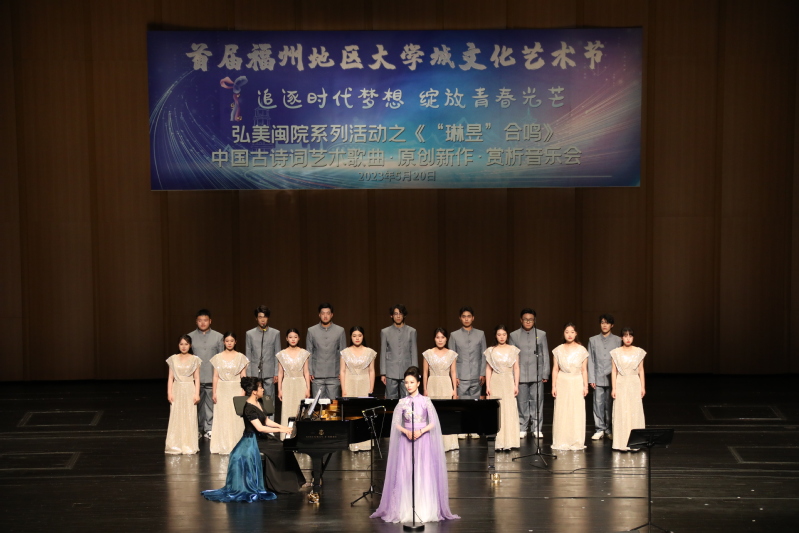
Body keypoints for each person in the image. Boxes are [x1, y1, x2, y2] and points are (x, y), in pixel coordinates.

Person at [370, 367, 460, 524]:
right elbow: (395, 423)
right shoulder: (402, 402)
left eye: (412, 382)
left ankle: (424, 508)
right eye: (406, 382)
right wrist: (406, 431)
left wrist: (421, 431)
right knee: (406, 471)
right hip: (407, 441)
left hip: (423, 440)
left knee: (423, 471)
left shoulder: (425, 401)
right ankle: (405, 508)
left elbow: (433, 422)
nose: (409, 385)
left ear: (418, 383)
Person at [202, 377, 293, 503]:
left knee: (283, 446)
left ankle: (287, 482)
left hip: (260, 438)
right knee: (278, 449)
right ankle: (281, 484)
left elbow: (266, 420)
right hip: (252, 440)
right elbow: (260, 428)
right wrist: (281, 430)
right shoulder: (249, 408)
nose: (263, 389)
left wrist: (282, 427)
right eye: (260, 387)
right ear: (254, 391)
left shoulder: (258, 402)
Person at [509, 308, 550, 439]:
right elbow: (511, 356)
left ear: (534, 320)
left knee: (537, 401)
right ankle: (522, 427)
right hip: (520, 374)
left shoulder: (541, 334)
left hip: (537, 373)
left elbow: (545, 354)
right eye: (525, 319)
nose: (528, 322)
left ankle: (537, 428)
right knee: (522, 402)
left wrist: (545, 373)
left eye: (531, 319)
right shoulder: (514, 335)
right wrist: (512, 375)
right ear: (521, 320)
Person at [448, 306, 486, 439]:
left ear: (473, 318)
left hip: (476, 374)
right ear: (460, 318)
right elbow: (452, 357)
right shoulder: (454, 335)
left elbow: (484, 355)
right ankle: (462, 428)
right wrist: (455, 376)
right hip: (461, 375)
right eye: (464, 316)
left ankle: (474, 428)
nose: (466, 319)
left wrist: (483, 373)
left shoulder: (480, 334)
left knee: (475, 404)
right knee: (462, 404)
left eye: (469, 316)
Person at [551, 323, 589, 451]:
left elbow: (584, 370)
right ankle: (562, 440)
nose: (569, 334)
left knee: (576, 410)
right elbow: (555, 369)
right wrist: (553, 386)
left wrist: (585, 386)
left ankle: (576, 440)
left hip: (577, 381)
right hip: (562, 381)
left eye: (572, 332)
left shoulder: (582, 350)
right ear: (563, 333)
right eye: (567, 332)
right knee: (562, 411)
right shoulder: (558, 350)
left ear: (576, 333)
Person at [209, 332, 249, 454]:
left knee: (236, 417)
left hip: (236, 388)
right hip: (222, 389)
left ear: (235, 342)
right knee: (222, 416)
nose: (229, 343)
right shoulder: (217, 357)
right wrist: (214, 392)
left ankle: (236, 444)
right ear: (223, 342)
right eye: (227, 341)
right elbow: (215, 376)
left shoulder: (241, 357)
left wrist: (243, 392)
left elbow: (243, 376)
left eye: (232, 341)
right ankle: (222, 444)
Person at [188, 309, 224, 439]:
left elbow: (221, 358)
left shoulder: (218, 337)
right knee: (195, 405)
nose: (202, 323)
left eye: (205, 320)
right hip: (194, 377)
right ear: (196, 321)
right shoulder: (190, 337)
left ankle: (209, 428)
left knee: (210, 404)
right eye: (200, 320)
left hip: (211, 375)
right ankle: (197, 429)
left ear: (210, 321)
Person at [422, 328, 459, 452]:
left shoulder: (451, 354)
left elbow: (453, 373)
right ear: (434, 338)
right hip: (432, 384)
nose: (440, 340)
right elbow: (425, 373)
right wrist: (425, 389)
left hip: (446, 385)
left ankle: (448, 443)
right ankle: (432, 444)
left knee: (446, 413)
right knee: (432, 413)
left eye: (442, 337)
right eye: (438, 337)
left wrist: (454, 390)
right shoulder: (428, 353)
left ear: (446, 339)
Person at [340, 326, 377, 451]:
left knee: (364, 412)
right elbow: (342, 371)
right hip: (349, 383)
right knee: (351, 413)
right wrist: (343, 389)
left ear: (363, 336)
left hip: (364, 383)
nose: (357, 338)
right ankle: (352, 443)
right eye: (354, 335)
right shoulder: (345, 352)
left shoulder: (370, 352)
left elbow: (371, 371)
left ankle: (365, 443)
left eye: (359, 335)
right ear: (351, 337)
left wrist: (371, 387)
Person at [610, 327, 647, 452]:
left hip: (634, 382)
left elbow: (641, 370)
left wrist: (643, 386)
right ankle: (621, 442)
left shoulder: (639, 352)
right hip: (621, 382)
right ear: (621, 338)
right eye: (625, 336)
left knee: (634, 411)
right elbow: (614, 371)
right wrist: (614, 388)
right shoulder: (615, 352)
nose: (628, 338)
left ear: (633, 337)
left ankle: (636, 441)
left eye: (630, 336)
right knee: (622, 410)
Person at [485, 325, 521, 451]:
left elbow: (516, 368)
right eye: (499, 334)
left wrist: (516, 384)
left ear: (507, 335)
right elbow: (488, 369)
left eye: (504, 334)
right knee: (497, 410)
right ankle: (498, 442)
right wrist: (488, 386)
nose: (501, 337)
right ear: (496, 336)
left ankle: (510, 441)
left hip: (508, 381)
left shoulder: (513, 350)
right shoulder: (491, 351)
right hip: (496, 381)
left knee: (509, 409)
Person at [165, 335, 202, 455]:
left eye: (186, 344)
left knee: (189, 416)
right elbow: (170, 377)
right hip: (177, 389)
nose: (184, 346)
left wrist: (197, 394)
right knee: (176, 416)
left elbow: (197, 378)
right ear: (178, 345)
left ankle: (188, 444)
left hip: (189, 389)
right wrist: (169, 392)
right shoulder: (173, 359)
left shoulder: (195, 359)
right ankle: (175, 444)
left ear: (190, 345)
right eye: (181, 344)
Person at [588, 314, 622, 441]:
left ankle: (608, 429)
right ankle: (599, 429)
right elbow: (591, 360)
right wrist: (591, 378)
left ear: (612, 325)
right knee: (598, 403)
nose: (604, 325)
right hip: (598, 376)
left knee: (610, 404)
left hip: (612, 377)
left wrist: (619, 378)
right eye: (602, 322)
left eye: (607, 323)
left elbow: (620, 360)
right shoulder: (593, 340)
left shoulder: (618, 340)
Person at [306, 303, 347, 400]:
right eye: (323, 313)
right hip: (317, 375)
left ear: (332, 315)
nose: (325, 316)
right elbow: (309, 352)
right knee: (318, 405)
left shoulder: (340, 330)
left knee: (333, 405)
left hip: (334, 375)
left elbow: (343, 353)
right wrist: (310, 371)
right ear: (319, 315)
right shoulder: (311, 331)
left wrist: (342, 372)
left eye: (328, 313)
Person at [245, 306, 281, 413]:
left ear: (268, 318)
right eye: (260, 317)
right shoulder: (249, 334)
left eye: (265, 317)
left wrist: (276, 372)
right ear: (256, 318)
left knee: (269, 399)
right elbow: (248, 354)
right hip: (254, 372)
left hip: (269, 371)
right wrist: (249, 373)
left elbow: (277, 354)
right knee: (254, 398)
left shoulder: (275, 333)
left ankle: (270, 421)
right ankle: (256, 420)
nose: (262, 319)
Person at [276, 328, 311, 439]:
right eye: (290, 337)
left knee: (300, 410)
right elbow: (280, 373)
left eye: (295, 337)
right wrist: (279, 389)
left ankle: (301, 436)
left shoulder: (304, 353)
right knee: (287, 409)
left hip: (300, 383)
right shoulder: (281, 354)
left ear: (299, 338)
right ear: (286, 339)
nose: (293, 339)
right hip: (287, 383)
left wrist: (308, 388)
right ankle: (287, 436)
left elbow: (306, 372)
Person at [380, 304, 418, 399]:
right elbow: (383, 352)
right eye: (395, 314)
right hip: (391, 370)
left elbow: (414, 352)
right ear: (391, 316)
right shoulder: (385, 332)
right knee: (390, 398)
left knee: (407, 397)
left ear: (404, 315)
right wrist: (383, 373)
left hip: (407, 370)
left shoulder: (411, 331)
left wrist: (415, 372)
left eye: (400, 314)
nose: (398, 316)